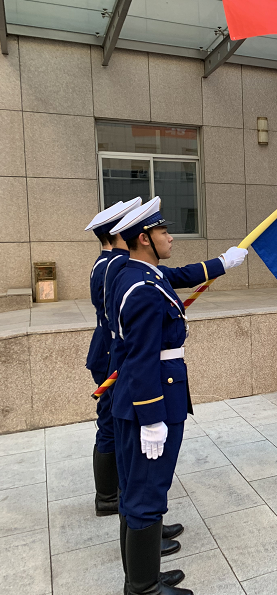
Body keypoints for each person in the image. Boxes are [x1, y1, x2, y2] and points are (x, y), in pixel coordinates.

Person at [109, 197, 247, 595]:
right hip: (150, 402)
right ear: (144, 239)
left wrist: (223, 262)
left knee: (137, 491)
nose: (170, 237)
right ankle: (144, 589)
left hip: (143, 396)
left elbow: (180, 275)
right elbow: (141, 359)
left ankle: (141, 578)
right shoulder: (142, 288)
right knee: (146, 495)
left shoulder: (139, 273)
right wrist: (152, 419)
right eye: (163, 231)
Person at [84, 198, 143, 518]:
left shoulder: (104, 261)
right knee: (110, 424)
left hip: (104, 349)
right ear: (120, 231)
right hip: (111, 354)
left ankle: (110, 493)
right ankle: (109, 497)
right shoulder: (117, 264)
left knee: (108, 421)